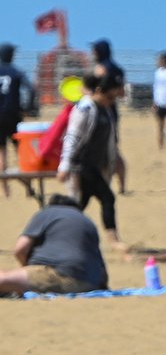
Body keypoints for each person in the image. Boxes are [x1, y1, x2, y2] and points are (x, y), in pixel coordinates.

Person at [57, 72, 125, 250]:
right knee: (107, 198)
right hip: (82, 165)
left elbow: (108, 140)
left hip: (95, 165)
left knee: (79, 204)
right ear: (99, 91)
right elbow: (72, 137)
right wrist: (64, 165)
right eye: (109, 96)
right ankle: (114, 240)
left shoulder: (105, 109)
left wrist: (112, 162)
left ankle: (61, 235)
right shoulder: (84, 109)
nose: (111, 100)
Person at [0, 195, 108, 295]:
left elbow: (20, 249)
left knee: (3, 277)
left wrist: (25, 268)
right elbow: (101, 269)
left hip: (59, 275)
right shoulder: (87, 220)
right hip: (90, 283)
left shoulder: (47, 212)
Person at [91, 39, 128, 194]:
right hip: (113, 111)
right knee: (113, 148)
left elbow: (93, 92)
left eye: (94, 51)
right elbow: (122, 93)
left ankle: (104, 184)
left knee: (101, 149)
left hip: (99, 111)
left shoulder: (100, 69)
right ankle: (122, 186)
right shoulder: (118, 69)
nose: (92, 54)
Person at [0, 42, 32, 197]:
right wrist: (28, 107)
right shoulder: (16, 72)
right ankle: (29, 186)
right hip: (13, 116)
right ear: (11, 56)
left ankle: (5, 189)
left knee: (2, 153)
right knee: (21, 152)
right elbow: (31, 89)